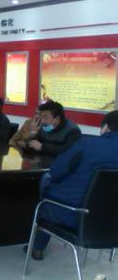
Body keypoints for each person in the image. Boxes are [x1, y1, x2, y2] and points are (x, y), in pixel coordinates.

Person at [26, 110, 118, 261]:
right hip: (111, 219)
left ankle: (37, 246)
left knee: (46, 183)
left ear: (106, 127)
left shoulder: (87, 144)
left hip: (75, 214)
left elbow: (56, 171)